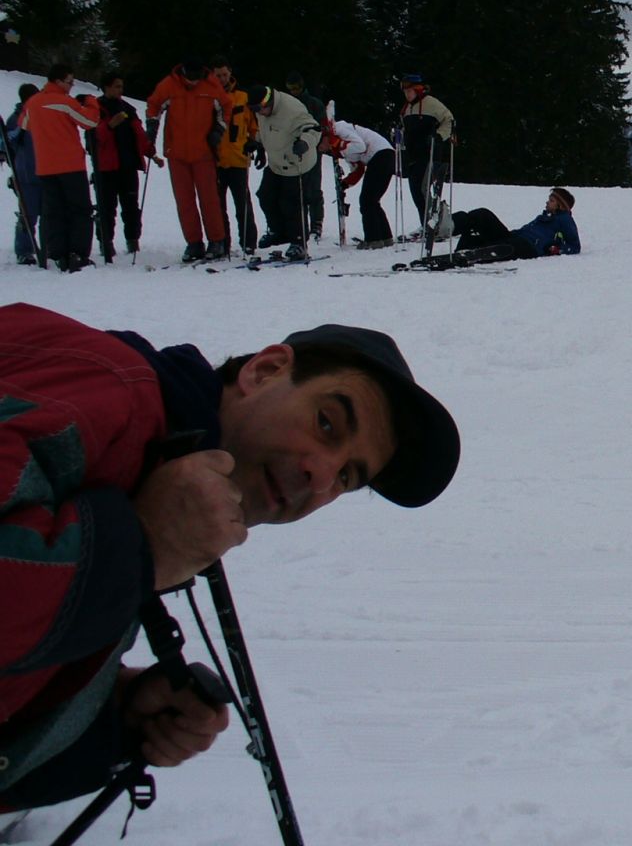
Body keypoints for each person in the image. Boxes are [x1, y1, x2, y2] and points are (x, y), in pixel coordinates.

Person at [0, 301, 460, 812]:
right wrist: (142, 547)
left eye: (347, 477)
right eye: (327, 423)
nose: (323, 478)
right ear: (264, 371)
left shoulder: (155, 473)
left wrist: (108, 716)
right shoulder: (104, 385)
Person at [146, 58, 230, 263]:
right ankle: (194, 243)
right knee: (184, 201)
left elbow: (226, 108)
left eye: (197, 78)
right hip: (176, 152)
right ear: (183, 73)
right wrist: (152, 127)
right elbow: (154, 104)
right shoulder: (169, 85)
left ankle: (217, 241)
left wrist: (218, 130)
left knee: (209, 199)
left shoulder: (211, 85)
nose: (193, 82)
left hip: (203, 151)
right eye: (190, 78)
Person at [19, 65, 100, 272]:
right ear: (58, 81)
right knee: (79, 210)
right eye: (69, 82)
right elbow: (89, 121)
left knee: (54, 211)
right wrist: (91, 102)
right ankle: (78, 253)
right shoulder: (65, 102)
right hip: (70, 164)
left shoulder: (33, 103)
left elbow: (24, 124)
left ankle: (58, 254)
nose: (71, 86)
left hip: (46, 166)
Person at [88, 74, 163, 263]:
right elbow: (92, 140)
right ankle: (106, 242)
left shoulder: (128, 109)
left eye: (121, 86)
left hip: (128, 165)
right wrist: (109, 126)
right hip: (106, 168)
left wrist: (151, 153)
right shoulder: (96, 109)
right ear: (106, 87)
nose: (120, 90)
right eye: (116, 86)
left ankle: (132, 240)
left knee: (131, 207)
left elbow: (138, 134)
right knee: (107, 208)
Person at [246, 85, 322, 260]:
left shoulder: (292, 109)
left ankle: (299, 242)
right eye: (253, 109)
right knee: (266, 196)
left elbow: (314, 129)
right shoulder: (262, 110)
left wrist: (305, 142)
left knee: (292, 203)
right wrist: (256, 143)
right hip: (276, 162)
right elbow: (268, 131)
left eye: (258, 109)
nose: (257, 113)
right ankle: (278, 232)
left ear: (267, 102)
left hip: (296, 162)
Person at [448, 187, 581, 263]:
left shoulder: (565, 219)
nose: (547, 202)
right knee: (482, 214)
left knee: (500, 246)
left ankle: (470, 253)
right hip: (515, 238)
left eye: (551, 201)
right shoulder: (544, 217)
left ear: (560, 205)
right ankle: (448, 224)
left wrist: (556, 249)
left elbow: (574, 246)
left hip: (529, 247)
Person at [321, 118, 397, 248]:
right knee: (372, 200)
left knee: (367, 201)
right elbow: (358, 169)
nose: (322, 150)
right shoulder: (338, 146)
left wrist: (338, 143)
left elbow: (360, 146)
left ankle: (373, 240)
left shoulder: (339, 129)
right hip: (383, 156)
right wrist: (345, 184)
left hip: (380, 154)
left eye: (320, 146)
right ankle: (385, 237)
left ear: (323, 137)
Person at [397, 74, 455, 239]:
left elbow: (449, 120)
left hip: (429, 154)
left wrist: (439, 136)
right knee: (416, 189)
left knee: (421, 188)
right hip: (413, 155)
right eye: (405, 91)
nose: (407, 94)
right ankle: (427, 224)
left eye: (410, 91)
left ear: (418, 90)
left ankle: (431, 224)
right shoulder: (407, 108)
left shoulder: (431, 103)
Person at [211, 59, 259, 255]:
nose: (222, 78)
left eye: (224, 74)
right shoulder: (209, 97)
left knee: (243, 204)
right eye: (218, 75)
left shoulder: (243, 97)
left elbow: (253, 125)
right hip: (215, 160)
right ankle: (222, 243)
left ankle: (249, 242)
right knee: (217, 206)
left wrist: (254, 141)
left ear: (230, 73)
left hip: (238, 157)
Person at [283, 73, 327, 240]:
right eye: (290, 89)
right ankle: (300, 224)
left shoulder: (314, 103)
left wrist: (323, 140)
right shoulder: (286, 104)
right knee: (296, 189)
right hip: (293, 150)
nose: (293, 92)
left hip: (312, 148)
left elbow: (322, 125)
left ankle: (316, 223)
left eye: (296, 88)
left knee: (313, 187)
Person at [4, 83, 41, 265]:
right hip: (26, 173)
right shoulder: (16, 119)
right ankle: (24, 249)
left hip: (45, 170)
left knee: (48, 212)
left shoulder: (41, 115)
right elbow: (7, 143)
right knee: (28, 213)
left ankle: (49, 245)